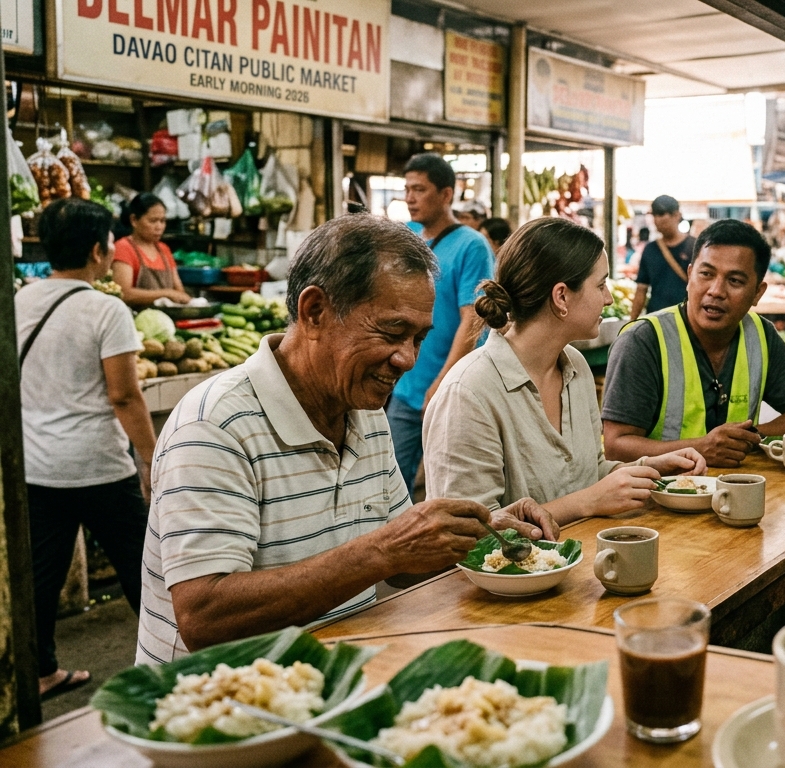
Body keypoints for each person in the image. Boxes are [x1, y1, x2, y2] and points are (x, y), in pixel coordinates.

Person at [136, 215, 553, 665]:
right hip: (222, 698)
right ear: (314, 311)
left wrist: (476, 533)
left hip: (330, 677)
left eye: (418, 339)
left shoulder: (365, 414)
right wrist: (385, 550)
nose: (407, 359)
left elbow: (402, 562)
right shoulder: (214, 426)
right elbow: (204, 619)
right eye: (392, 332)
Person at [424, 218, 705, 520]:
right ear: (561, 297)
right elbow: (467, 532)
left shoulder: (575, 367)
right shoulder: (468, 393)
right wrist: (586, 503)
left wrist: (650, 467)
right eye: (600, 285)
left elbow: (588, 475)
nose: (608, 298)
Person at [18, 199, 156, 697]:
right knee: (144, 566)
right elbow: (124, 395)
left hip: (38, 465)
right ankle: (176, 658)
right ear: (98, 250)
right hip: (99, 466)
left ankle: (39, 672)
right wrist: (152, 457)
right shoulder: (105, 308)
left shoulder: (20, 300)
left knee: (40, 576)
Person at [603, 219, 785, 468]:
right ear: (690, 276)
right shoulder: (643, 341)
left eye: (735, 281)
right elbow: (615, 447)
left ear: (757, 293)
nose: (716, 291)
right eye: (706, 274)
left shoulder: (761, 335)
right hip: (657, 490)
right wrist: (700, 449)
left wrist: (746, 439)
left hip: (737, 487)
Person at [386, 153, 495, 495]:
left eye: (419, 189)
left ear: (446, 194)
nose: (410, 198)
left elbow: (473, 319)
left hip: (449, 389)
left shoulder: (472, 246)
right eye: (407, 189)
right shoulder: (407, 237)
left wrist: (442, 382)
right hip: (405, 385)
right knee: (388, 486)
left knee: (450, 489)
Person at [111, 193, 192, 307]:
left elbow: (179, 291)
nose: (159, 227)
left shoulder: (164, 249)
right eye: (153, 221)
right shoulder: (124, 248)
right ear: (134, 220)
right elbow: (124, 293)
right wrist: (166, 294)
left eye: (162, 221)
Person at [629, 195, 694, 320]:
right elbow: (641, 289)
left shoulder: (694, 247)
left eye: (661, 214)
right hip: (655, 319)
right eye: (654, 215)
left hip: (686, 318)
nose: (657, 219)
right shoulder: (650, 249)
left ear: (677, 215)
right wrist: (631, 322)